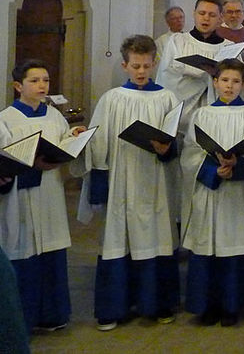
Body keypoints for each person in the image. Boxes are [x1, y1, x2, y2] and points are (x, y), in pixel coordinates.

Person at [74, 35, 181, 331]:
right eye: (135, 66)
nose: (141, 71)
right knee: (118, 238)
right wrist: (99, 178)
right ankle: (114, 307)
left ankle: (157, 304)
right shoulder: (112, 99)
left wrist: (167, 149)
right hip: (122, 181)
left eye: (147, 65)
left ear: (155, 63)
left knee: (157, 236)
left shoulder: (167, 98)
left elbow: (176, 140)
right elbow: (99, 142)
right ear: (125, 65)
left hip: (155, 181)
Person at [0, 60, 86, 332]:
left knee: (51, 249)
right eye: (34, 80)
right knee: (23, 251)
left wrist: (73, 139)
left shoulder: (54, 116)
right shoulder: (6, 120)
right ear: (18, 86)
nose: (41, 86)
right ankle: (21, 320)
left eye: (45, 81)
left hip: (50, 193)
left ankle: (53, 314)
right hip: (19, 197)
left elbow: (61, 145)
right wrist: (30, 165)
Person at [181, 59, 244, 327]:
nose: (229, 86)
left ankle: (232, 306)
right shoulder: (201, 115)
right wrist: (213, 171)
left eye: (235, 81)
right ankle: (207, 306)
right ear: (215, 82)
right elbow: (190, 154)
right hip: (210, 191)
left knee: (234, 244)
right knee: (208, 244)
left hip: (237, 194)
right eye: (224, 80)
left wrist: (238, 164)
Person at [156, 0, 232, 123]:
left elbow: (234, 83)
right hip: (182, 116)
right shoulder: (177, 41)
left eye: (212, 15)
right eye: (202, 13)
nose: (206, 18)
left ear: (220, 18)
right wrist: (204, 77)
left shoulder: (229, 48)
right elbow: (167, 78)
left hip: (216, 117)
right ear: (194, 14)